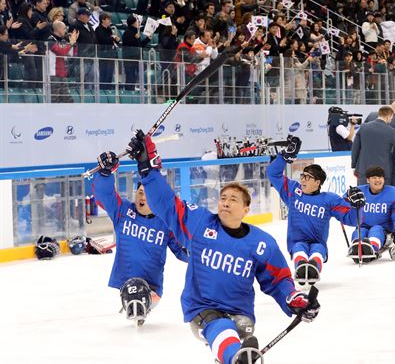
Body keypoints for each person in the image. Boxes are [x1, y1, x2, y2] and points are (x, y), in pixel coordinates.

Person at [126, 131, 320, 364]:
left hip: (241, 314)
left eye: (234, 200)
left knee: (237, 330)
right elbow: (167, 203)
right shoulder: (199, 224)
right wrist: (148, 169)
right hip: (202, 309)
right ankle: (234, 357)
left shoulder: (262, 243)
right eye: (223, 197)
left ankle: (233, 356)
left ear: (246, 210)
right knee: (223, 329)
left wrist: (294, 299)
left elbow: (278, 279)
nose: (226, 202)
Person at [92, 151, 189, 326]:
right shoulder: (122, 211)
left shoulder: (166, 223)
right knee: (132, 294)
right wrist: (105, 173)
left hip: (153, 288)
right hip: (125, 283)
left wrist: (197, 251)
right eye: (139, 191)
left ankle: (144, 305)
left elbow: (181, 251)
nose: (141, 196)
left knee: (145, 297)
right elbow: (103, 195)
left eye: (146, 193)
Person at [268, 135, 364, 283]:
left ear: (318, 182)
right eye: (303, 176)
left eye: (308, 177)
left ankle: (313, 267)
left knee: (317, 250)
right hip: (296, 241)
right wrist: (285, 157)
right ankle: (301, 266)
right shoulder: (293, 191)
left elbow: (352, 220)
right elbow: (273, 174)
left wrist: (357, 206)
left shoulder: (329, 200)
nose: (303, 179)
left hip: (318, 243)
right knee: (299, 248)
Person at [346, 166, 395, 262]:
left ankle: (371, 248)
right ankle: (357, 247)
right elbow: (342, 202)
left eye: (380, 177)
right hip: (363, 226)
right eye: (374, 178)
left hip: (384, 230)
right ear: (368, 180)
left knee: (376, 230)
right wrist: (348, 197)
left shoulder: (394, 193)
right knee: (359, 232)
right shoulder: (359, 191)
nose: (377, 180)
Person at [352, 106, 395, 186]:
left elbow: (355, 148)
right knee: (383, 196)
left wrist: (354, 166)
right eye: (391, 118)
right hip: (382, 173)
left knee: (364, 195)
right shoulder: (391, 131)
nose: (391, 120)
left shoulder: (363, 127)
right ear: (388, 117)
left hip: (364, 170)